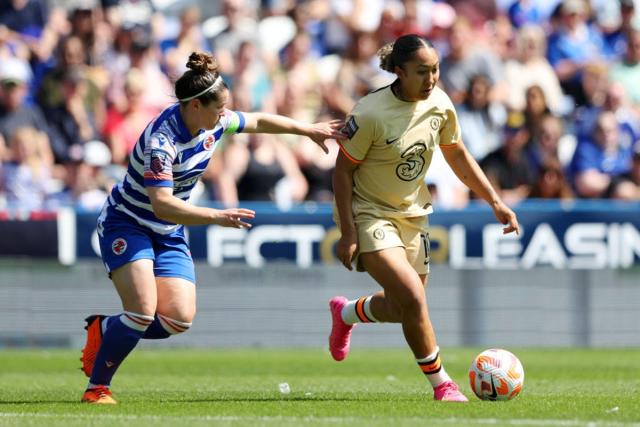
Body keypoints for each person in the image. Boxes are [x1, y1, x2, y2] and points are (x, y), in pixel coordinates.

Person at [79, 51, 345, 405]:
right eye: (218, 109)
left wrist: (307, 129)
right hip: (128, 223)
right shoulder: (163, 142)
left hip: (168, 230)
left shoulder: (214, 122)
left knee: (177, 319)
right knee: (142, 311)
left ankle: (106, 329)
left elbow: (258, 121)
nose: (224, 116)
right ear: (194, 107)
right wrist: (214, 217)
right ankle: (97, 388)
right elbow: (162, 203)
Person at [328, 34, 520, 403]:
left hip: (413, 214)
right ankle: (442, 384)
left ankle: (348, 313)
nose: (431, 78)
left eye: (435, 70)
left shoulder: (440, 104)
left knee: (404, 307)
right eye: (422, 71)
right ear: (399, 72)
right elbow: (342, 171)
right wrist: (349, 232)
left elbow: (457, 155)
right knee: (414, 299)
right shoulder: (369, 112)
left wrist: (494, 201)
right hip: (368, 212)